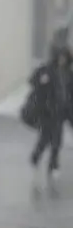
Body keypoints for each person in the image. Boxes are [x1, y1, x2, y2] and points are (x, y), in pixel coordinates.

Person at [29, 43, 73, 180]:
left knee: (57, 140)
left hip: (62, 111)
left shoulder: (69, 73)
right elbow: (33, 80)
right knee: (45, 138)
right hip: (48, 111)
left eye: (65, 57)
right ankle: (36, 156)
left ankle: (53, 165)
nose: (62, 60)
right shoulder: (47, 69)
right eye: (60, 57)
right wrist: (43, 84)